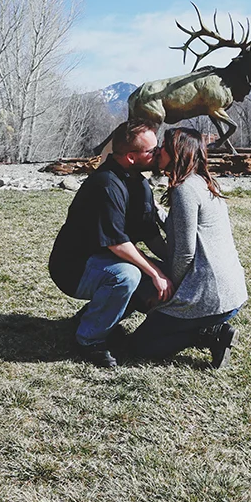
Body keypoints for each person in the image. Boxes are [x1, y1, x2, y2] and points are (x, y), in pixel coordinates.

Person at [49, 120, 174, 367]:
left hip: (105, 260)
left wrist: (172, 264)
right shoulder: (106, 185)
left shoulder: (138, 182)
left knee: (159, 272)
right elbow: (117, 245)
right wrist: (156, 273)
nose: (158, 152)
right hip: (74, 268)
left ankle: (90, 318)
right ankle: (89, 340)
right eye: (151, 150)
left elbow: (150, 235)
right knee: (127, 275)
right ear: (130, 157)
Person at [128, 127, 246, 369]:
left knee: (138, 348)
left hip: (208, 296)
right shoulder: (203, 183)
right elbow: (179, 226)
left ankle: (209, 334)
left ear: (178, 152)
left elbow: (184, 253)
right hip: (230, 293)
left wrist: (171, 290)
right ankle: (203, 327)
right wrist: (149, 207)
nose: (158, 151)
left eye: (164, 147)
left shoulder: (185, 190)